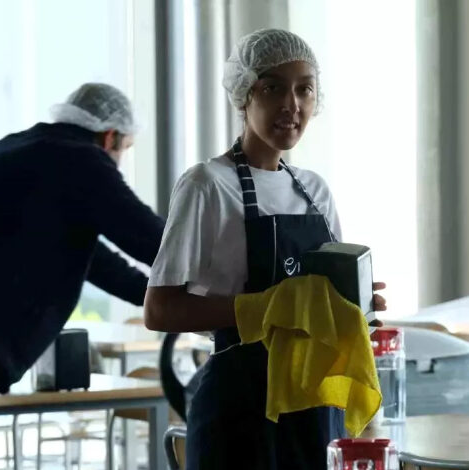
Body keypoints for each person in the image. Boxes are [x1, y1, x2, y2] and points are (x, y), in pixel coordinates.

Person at [144, 29, 387, 469]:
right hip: (238, 407)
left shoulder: (315, 190)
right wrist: (266, 307)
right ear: (244, 96)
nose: (291, 105)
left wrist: (354, 305)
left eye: (304, 90)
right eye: (273, 87)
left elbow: (318, 300)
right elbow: (159, 311)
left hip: (315, 406)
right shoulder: (207, 185)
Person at [0, 83, 165, 470]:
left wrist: (164, 301)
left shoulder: (26, 151)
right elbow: (156, 241)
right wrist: (222, 290)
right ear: (111, 137)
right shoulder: (82, 162)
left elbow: (96, 261)